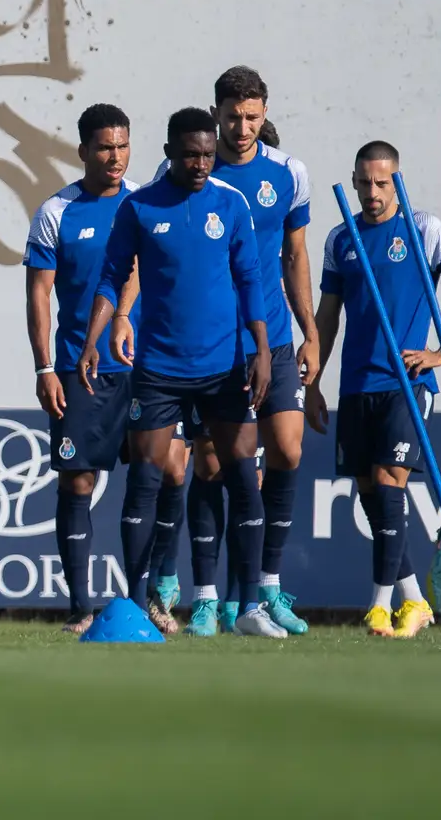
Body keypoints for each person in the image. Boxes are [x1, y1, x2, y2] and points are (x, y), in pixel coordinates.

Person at [82, 106, 283, 638]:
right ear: (169, 151)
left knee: (243, 478)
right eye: (191, 154)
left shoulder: (231, 203)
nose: (201, 164)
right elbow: (111, 275)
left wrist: (261, 349)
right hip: (159, 369)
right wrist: (92, 339)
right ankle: (134, 603)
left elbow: (250, 280)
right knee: (145, 480)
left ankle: (248, 610)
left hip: (223, 367)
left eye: (208, 155)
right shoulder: (140, 207)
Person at [309, 141, 441, 639]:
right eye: (364, 182)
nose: (372, 192)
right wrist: (316, 380)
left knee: (389, 485)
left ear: (397, 180)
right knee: (374, 498)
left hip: (406, 384)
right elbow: (329, 315)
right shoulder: (341, 237)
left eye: (382, 182)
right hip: (357, 384)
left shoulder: (425, 229)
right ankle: (415, 601)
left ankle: (378, 608)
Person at [186, 67, 318, 633]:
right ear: (216, 112)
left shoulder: (288, 172)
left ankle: (267, 588)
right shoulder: (195, 172)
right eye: (234, 116)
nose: (243, 127)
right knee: (214, 464)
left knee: (287, 451)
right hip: (214, 342)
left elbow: (295, 256)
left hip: (276, 339)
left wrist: (310, 330)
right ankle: (207, 596)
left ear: (265, 113)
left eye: (253, 116)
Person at [24, 104, 141, 633]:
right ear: (83, 151)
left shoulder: (145, 204)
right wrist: (45, 366)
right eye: (104, 148)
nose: (114, 158)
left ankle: (141, 602)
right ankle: (80, 608)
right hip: (78, 368)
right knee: (77, 482)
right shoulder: (56, 211)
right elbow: (39, 293)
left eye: (121, 146)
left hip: (146, 368)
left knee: (160, 475)